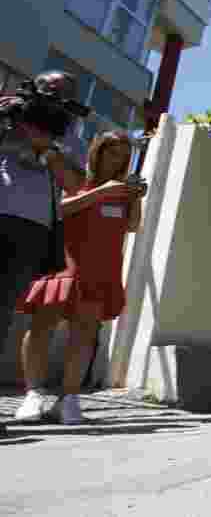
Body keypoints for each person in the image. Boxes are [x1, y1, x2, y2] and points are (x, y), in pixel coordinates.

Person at [14, 131, 145, 424]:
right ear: (98, 152)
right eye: (113, 152)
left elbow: (133, 225)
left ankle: (69, 399)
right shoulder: (76, 178)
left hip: (102, 268)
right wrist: (101, 193)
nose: (118, 160)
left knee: (84, 333)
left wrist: (134, 198)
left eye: (124, 155)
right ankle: (34, 394)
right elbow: (60, 208)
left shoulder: (123, 190)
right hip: (65, 264)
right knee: (43, 326)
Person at [0, 71, 87, 436]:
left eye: (64, 93)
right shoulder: (9, 112)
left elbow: (74, 183)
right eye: (50, 89)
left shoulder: (68, 135)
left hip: (30, 230)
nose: (55, 96)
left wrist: (47, 149)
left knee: (1, 311)